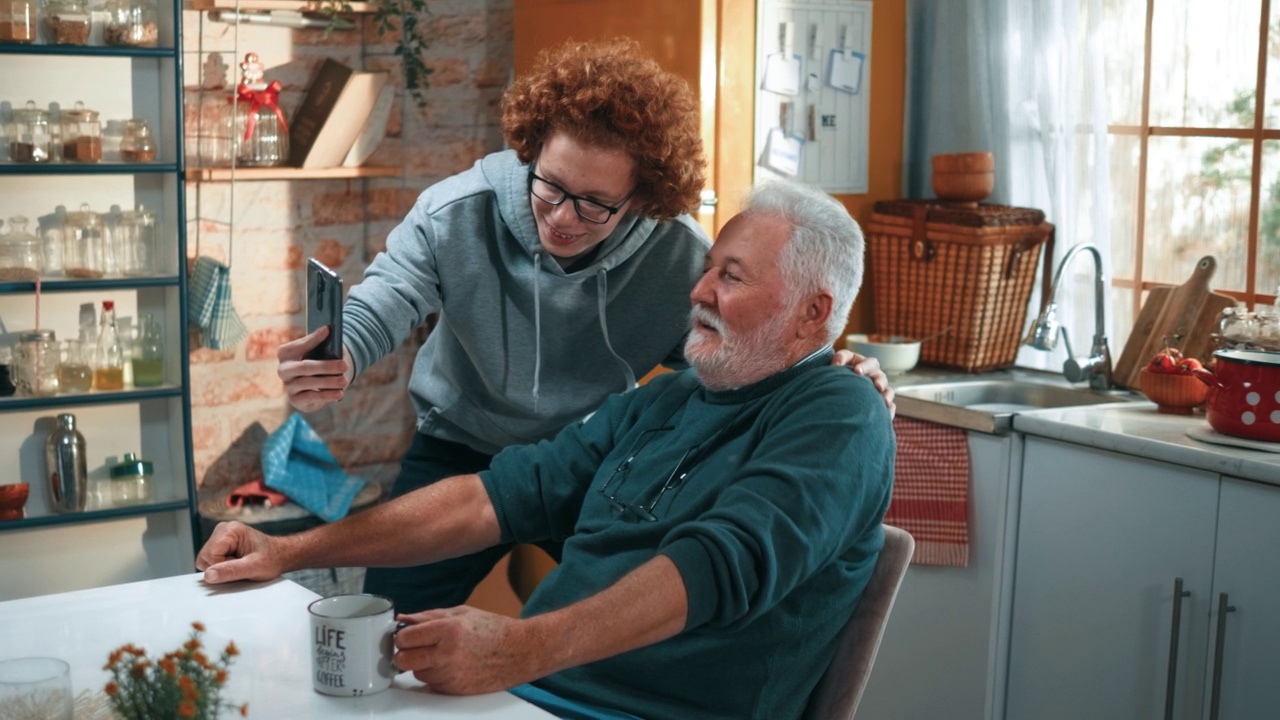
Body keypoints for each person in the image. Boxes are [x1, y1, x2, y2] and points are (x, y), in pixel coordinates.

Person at [200, 179, 895, 720]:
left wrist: (518, 648)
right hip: (529, 699)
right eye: (708, 268)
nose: (699, 290)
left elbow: (718, 565)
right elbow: (490, 497)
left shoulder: (839, 413)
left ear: (813, 314)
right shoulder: (665, 399)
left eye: (731, 277)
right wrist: (289, 553)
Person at [275, 37, 895, 614]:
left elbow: (732, 351)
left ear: (642, 197)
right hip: (459, 449)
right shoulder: (456, 210)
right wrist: (342, 354)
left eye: (595, 203)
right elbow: (389, 294)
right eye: (550, 185)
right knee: (382, 621)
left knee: (611, 636)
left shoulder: (682, 255)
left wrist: (824, 370)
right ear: (532, 149)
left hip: (590, 460)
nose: (562, 217)